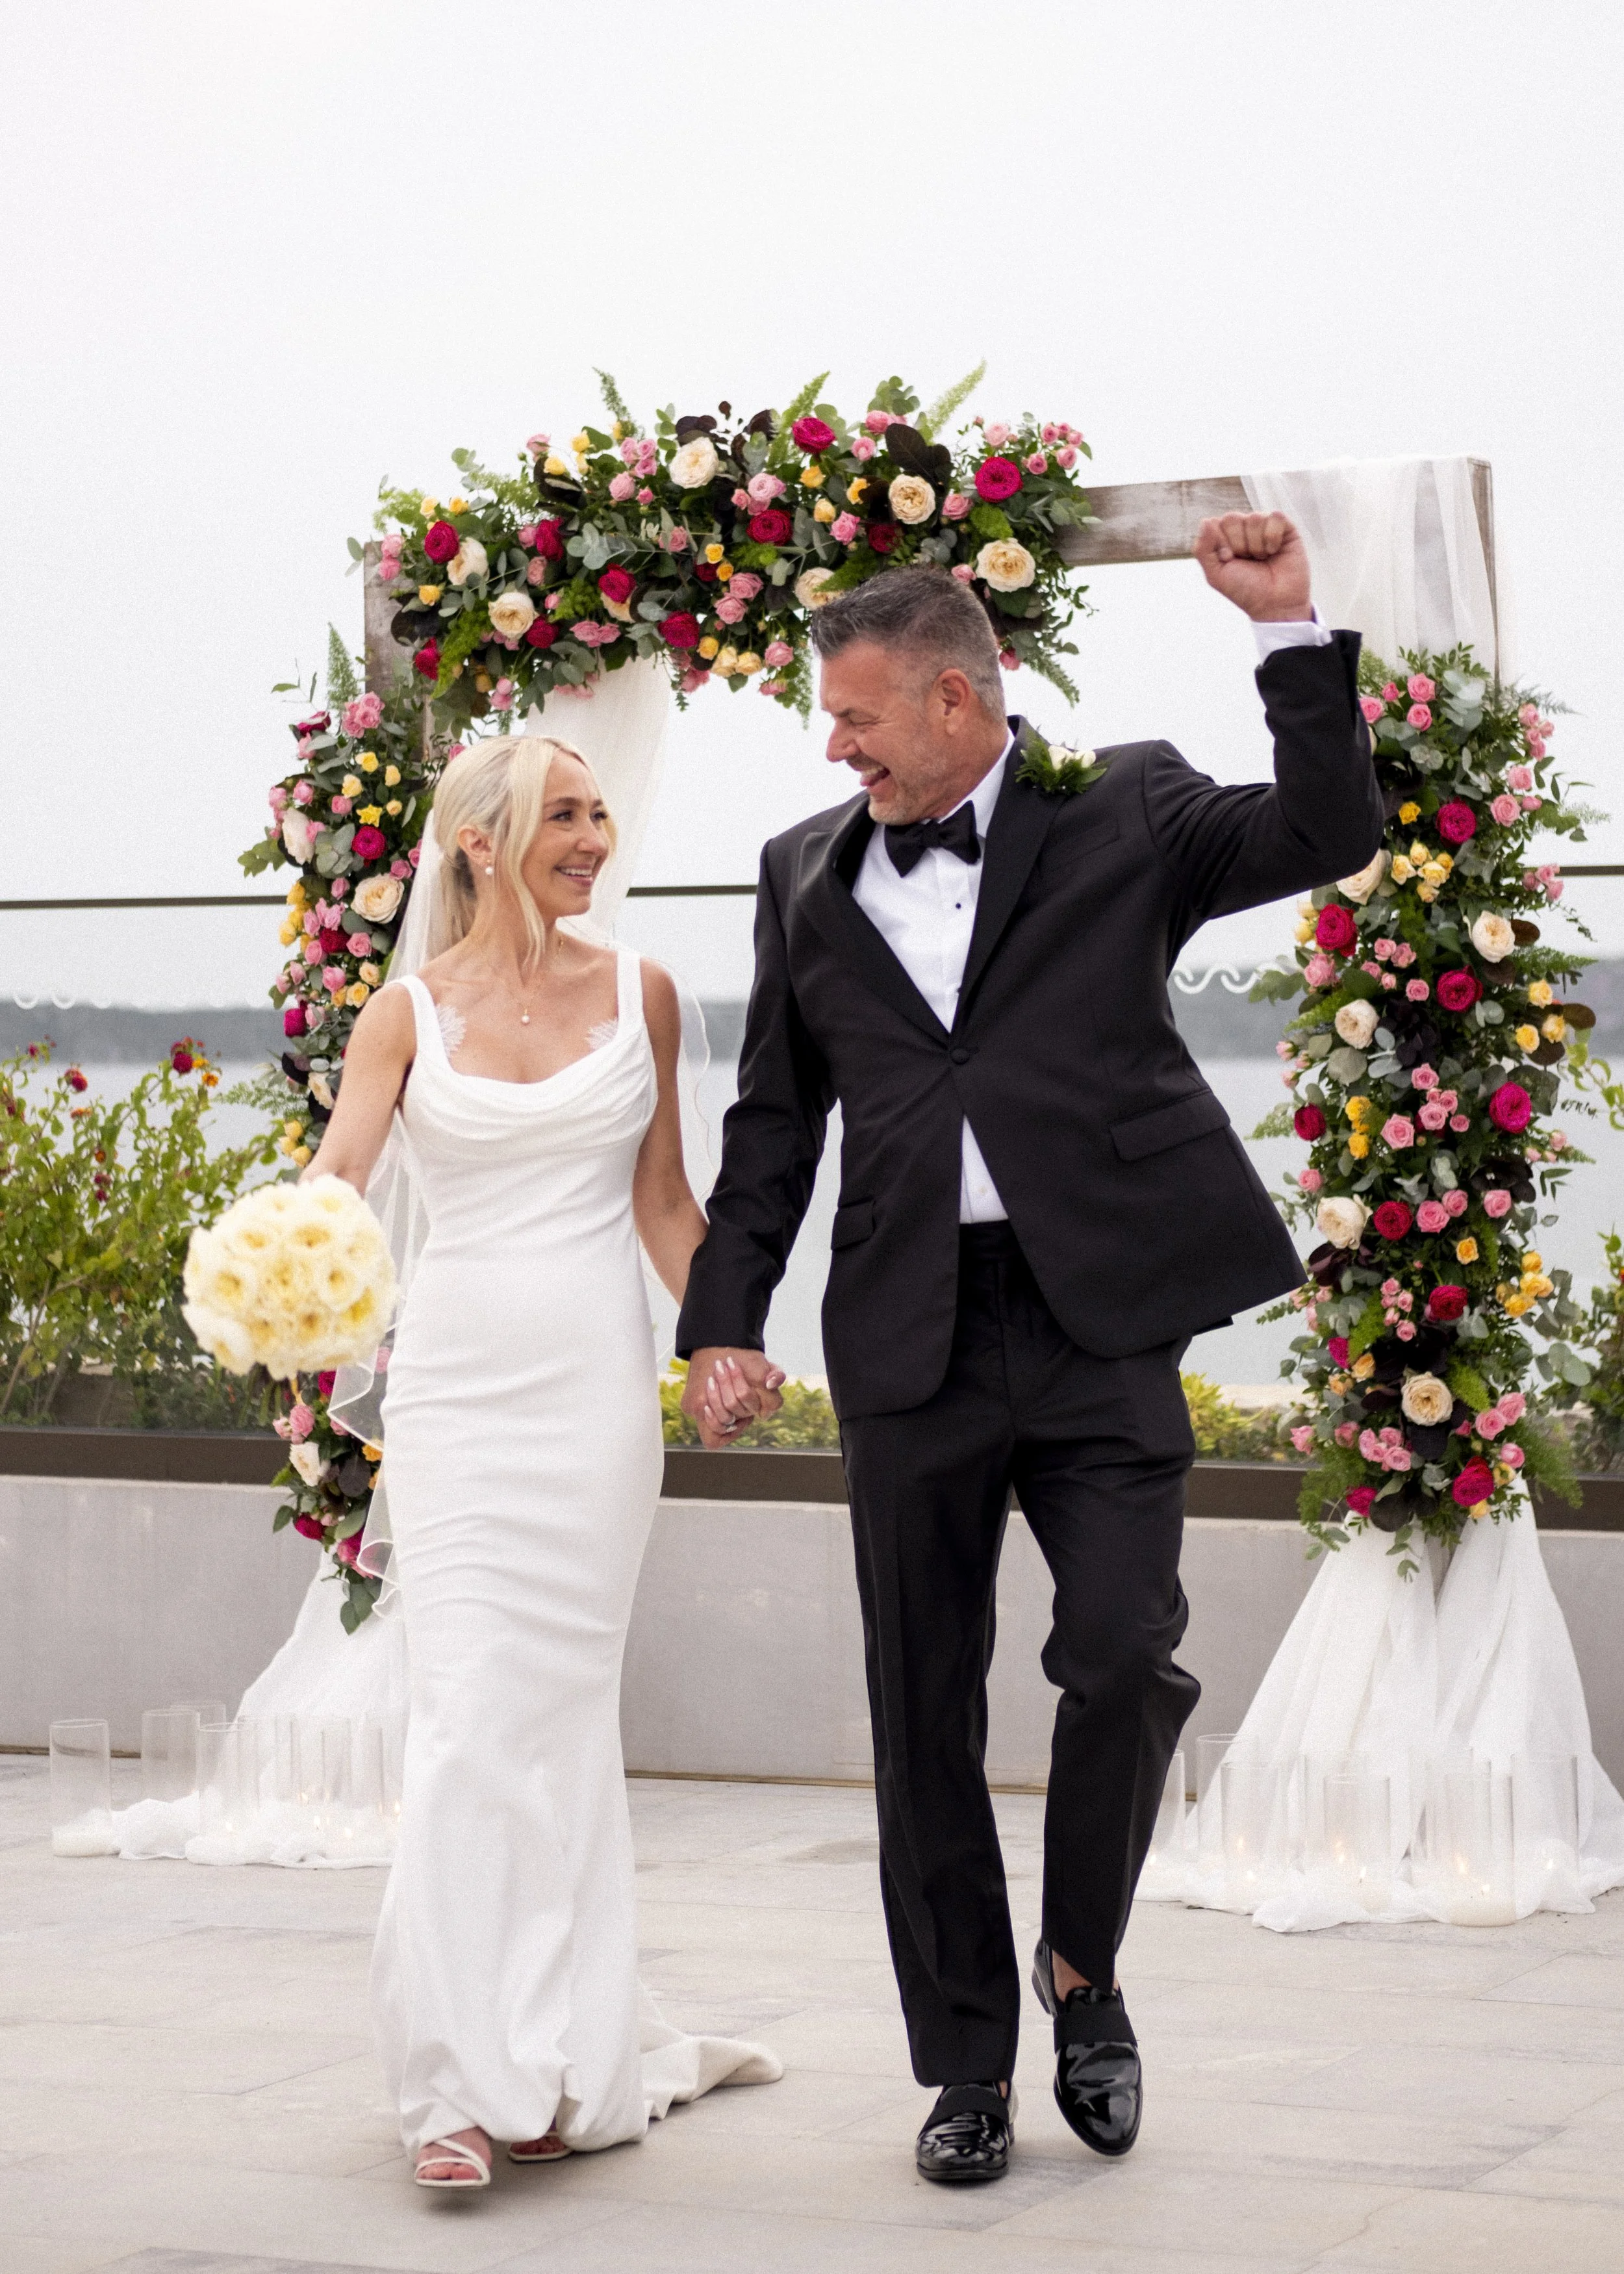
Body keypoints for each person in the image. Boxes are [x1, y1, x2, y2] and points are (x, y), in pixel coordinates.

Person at [676, 518, 1384, 2183]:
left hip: (1098, 1317)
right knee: (917, 1709)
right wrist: (721, 1316)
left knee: (1127, 1652)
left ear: (951, 695)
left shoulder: (1121, 805)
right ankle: (965, 2067)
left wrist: (1286, 631)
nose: (831, 746)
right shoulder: (801, 869)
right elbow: (773, 1127)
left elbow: (1324, 824)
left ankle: (1083, 1972)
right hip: (906, 1336)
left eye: (853, 717)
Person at [306, 733, 780, 2190]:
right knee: (461, 1721)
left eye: (596, 811)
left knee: (560, 1725)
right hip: (451, 1397)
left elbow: (666, 1204)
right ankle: (450, 2083)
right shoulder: (405, 1013)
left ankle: (561, 2055)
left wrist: (722, 1338)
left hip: (586, 1399)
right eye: (561, 815)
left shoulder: (638, 992)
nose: (592, 835)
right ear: (479, 841)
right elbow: (334, 1197)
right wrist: (277, 1280)